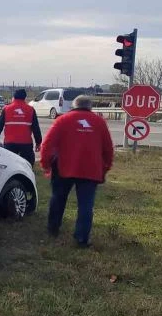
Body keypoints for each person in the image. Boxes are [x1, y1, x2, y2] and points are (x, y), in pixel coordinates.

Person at [40, 95, 114, 247]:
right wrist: (105, 168)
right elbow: (108, 149)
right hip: (91, 169)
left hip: (63, 168)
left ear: (73, 106)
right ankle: (81, 238)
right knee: (86, 204)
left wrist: (46, 164)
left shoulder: (62, 120)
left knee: (58, 199)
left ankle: (53, 229)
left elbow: (47, 144)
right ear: (90, 107)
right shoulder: (99, 122)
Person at [0, 89, 43, 166]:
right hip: (26, 144)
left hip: (9, 144)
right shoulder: (31, 110)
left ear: (14, 97)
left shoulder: (6, 109)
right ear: (25, 97)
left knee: (9, 166)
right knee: (27, 166)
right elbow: (36, 128)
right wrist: (38, 143)